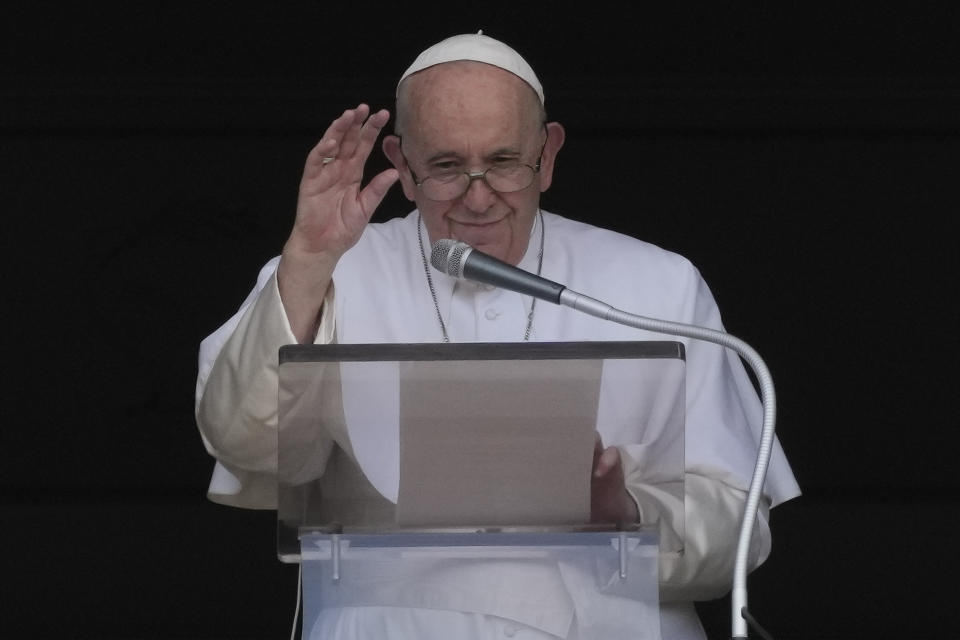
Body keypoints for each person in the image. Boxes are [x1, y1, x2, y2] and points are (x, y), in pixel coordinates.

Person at [195, 32, 800, 640]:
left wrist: (622, 514)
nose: (478, 198)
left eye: (505, 162)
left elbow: (740, 529)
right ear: (402, 166)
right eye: (447, 168)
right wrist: (306, 256)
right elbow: (243, 443)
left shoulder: (657, 282)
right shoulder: (331, 270)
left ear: (549, 154)